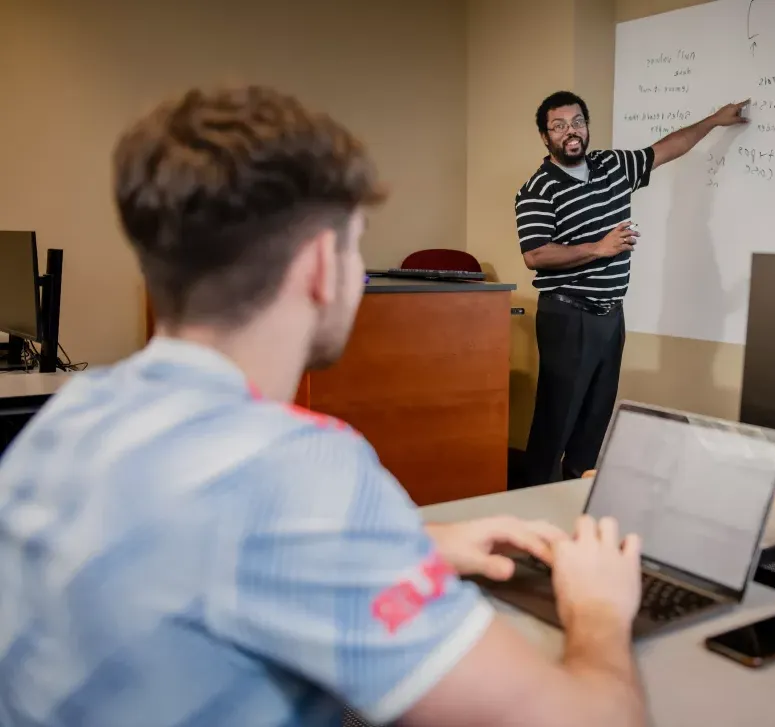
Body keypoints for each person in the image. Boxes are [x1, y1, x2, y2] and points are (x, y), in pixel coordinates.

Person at [0, 85, 648, 727]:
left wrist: (406, 539)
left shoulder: (65, 417)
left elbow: (195, 537)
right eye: (356, 244)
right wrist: (599, 608)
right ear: (318, 264)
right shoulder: (304, 469)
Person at [516, 90, 750, 486]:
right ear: (545, 137)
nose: (570, 132)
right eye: (558, 126)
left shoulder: (612, 165)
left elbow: (666, 148)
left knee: (595, 417)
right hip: (567, 315)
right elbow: (536, 255)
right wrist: (598, 248)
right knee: (556, 420)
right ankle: (531, 508)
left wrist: (713, 120)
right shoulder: (537, 188)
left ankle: (578, 495)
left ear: (586, 127)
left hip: (610, 314)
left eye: (576, 122)